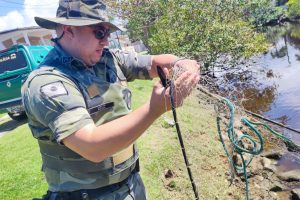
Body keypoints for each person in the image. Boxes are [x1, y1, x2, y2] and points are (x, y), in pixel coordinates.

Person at [21, 0, 200, 199]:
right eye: (99, 32)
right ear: (68, 29)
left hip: (131, 185)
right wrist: (154, 109)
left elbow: (154, 63)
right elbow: (92, 147)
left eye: (108, 33)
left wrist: (184, 63)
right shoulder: (47, 82)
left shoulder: (108, 59)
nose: (106, 41)